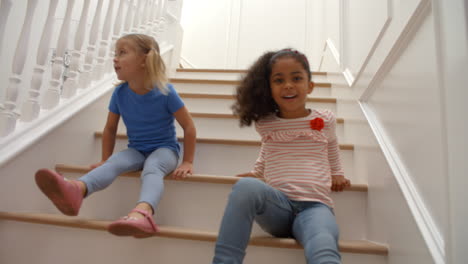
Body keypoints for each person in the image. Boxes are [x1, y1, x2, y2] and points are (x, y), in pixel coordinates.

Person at [35, 33, 196, 238]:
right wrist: (104, 158)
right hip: (136, 149)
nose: (115, 58)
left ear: (144, 60)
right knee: (113, 163)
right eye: (115, 53)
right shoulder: (120, 93)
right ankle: (77, 190)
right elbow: (110, 128)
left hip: (165, 149)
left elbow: (189, 126)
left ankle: (143, 213)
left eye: (122, 53)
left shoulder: (165, 91)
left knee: (153, 168)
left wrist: (188, 161)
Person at [212, 49, 351, 263]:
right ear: (269, 88)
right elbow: (269, 148)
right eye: (279, 80)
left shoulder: (326, 119)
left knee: (323, 244)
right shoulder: (266, 122)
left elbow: (331, 146)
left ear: (310, 86)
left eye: (296, 78)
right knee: (245, 186)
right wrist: (257, 172)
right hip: (278, 208)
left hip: (315, 207)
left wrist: (337, 173)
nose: (288, 85)